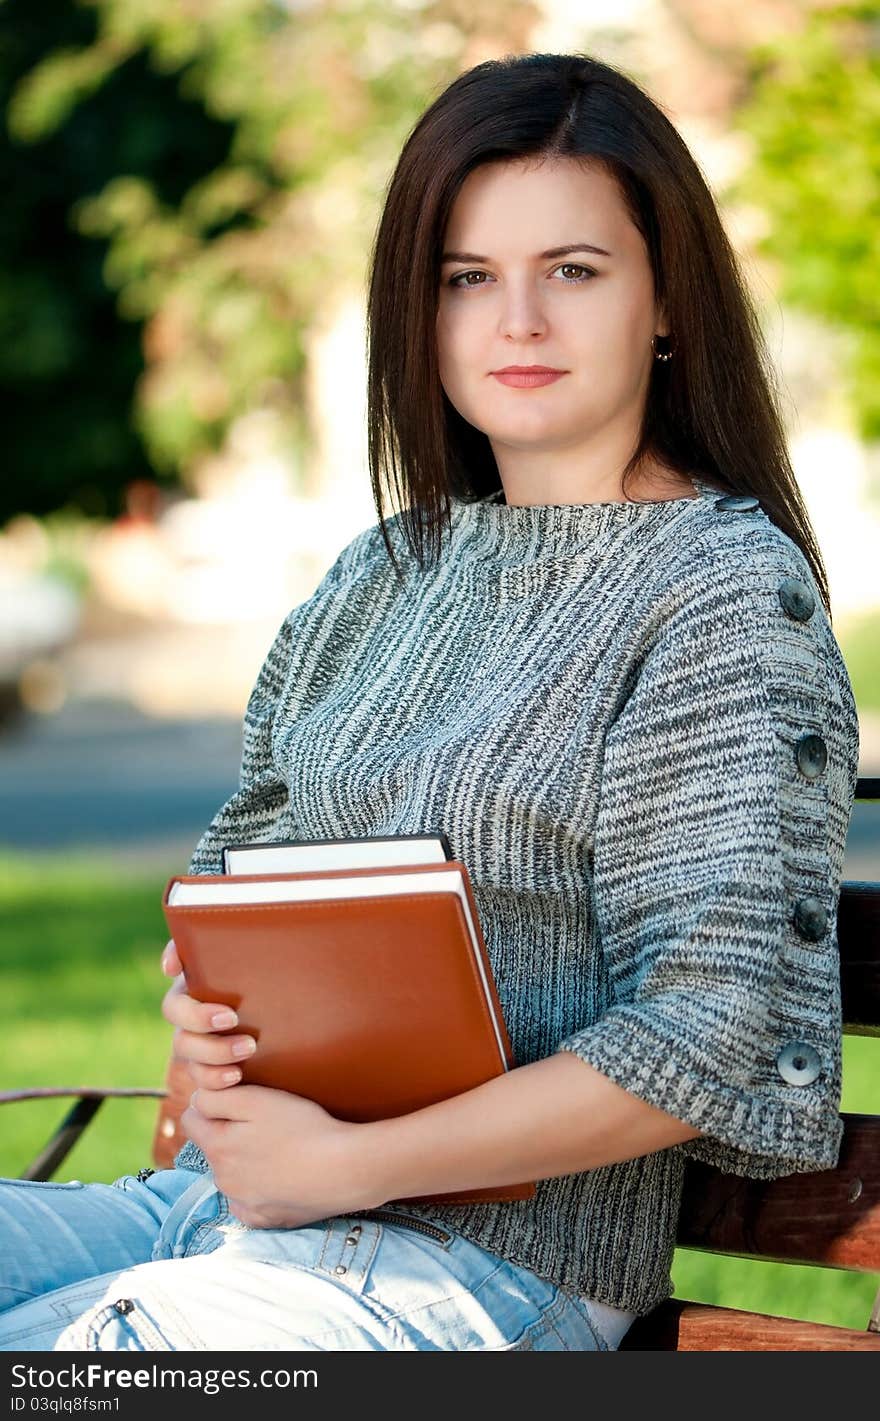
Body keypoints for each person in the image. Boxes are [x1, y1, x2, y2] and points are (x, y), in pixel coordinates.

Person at [0, 50, 860, 1353]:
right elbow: (234, 888)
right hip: (215, 1209)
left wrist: (350, 1165)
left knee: (77, 1371)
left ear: (668, 299)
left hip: (481, 1268)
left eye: (572, 271)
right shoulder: (379, 577)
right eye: (468, 278)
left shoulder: (722, 593)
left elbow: (712, 1025)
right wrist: (208, 996)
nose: (517, 322)